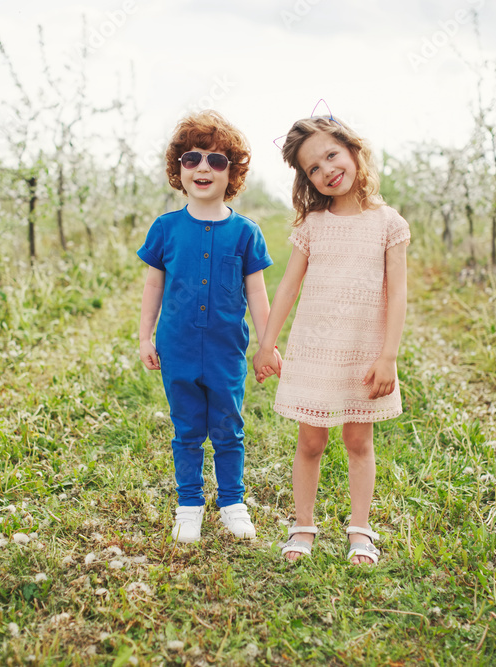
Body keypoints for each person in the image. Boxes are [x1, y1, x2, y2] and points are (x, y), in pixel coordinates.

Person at [252, 112, 410, 565]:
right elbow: (288, 287)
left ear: (354, 151)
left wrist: (389, 356)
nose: (326, 171)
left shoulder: (388, 223)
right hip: (314, 351)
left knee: (359, 441)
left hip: (363, 352)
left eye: (331, 156)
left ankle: (360, 531)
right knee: (311, 442)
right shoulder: (312, 226)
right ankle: (303, 527)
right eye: (313, 169)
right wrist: (267, 342)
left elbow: (397, 293)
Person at [138, 110, 279, 544]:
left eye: (217, 161)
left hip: (225, 350)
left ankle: (233, 503)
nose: (203, 168)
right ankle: (189, 506)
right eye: (192, 158)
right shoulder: (165, 228)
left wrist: (267, 344)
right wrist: (145, 335)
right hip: (177, 346)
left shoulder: (245, 232)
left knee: (227, 426)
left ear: (231, 173)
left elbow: (256, 293)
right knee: (186, 429)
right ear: (178, 170)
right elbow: (154, 284)